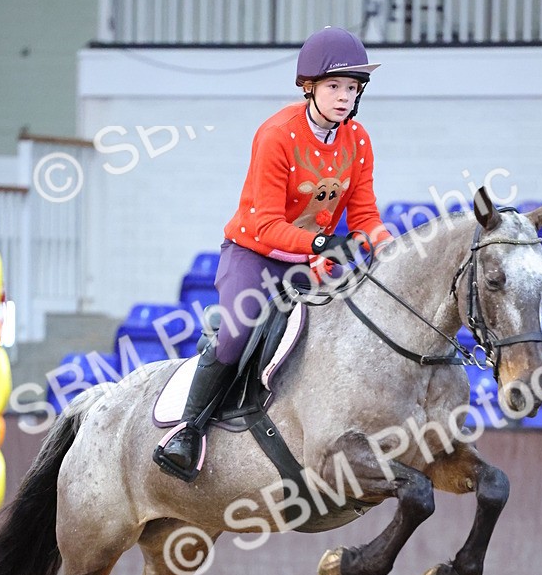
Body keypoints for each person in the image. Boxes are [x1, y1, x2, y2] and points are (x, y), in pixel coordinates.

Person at [154, 25, 392, 481]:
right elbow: (265, 223)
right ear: (310, 87)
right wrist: (321, 244)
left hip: (308, 263)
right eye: (335, 86)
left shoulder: (357, 140)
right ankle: (186, 431)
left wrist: (392, 250)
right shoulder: (277, 134)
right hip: (254, 255)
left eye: (352, 88)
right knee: (237, 335)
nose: (345, 96)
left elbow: (363, 214)